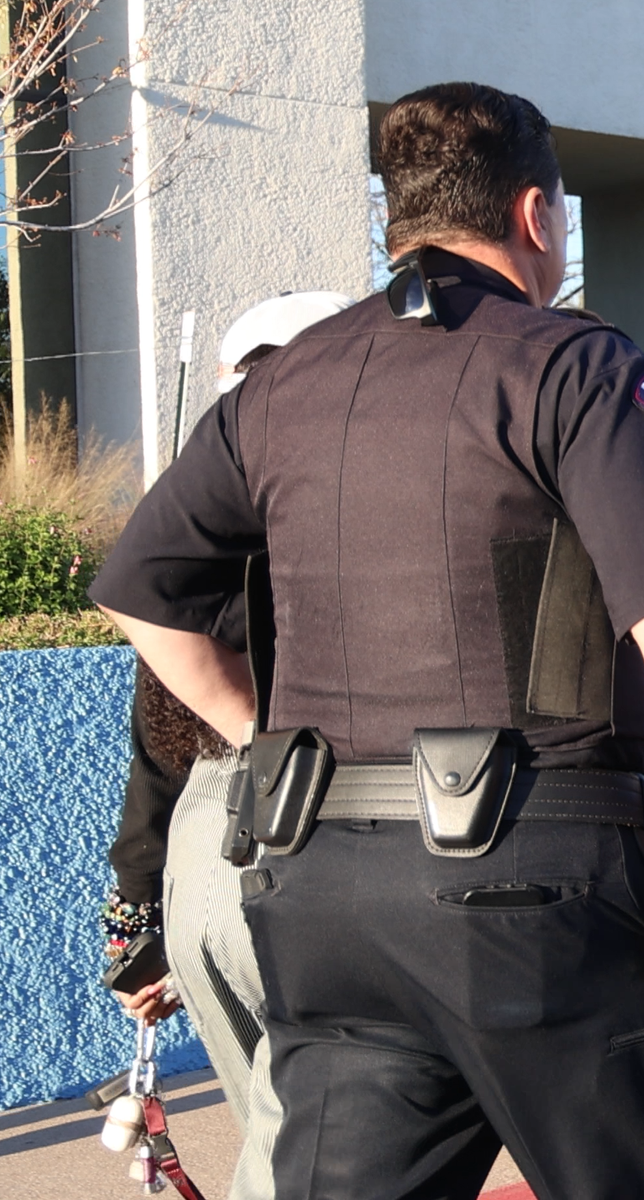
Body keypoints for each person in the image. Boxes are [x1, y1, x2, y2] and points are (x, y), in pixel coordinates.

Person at [91, 82, 644, 1199]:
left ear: (403, 216)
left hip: (320, 894)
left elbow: (143, 597)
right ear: (535, 214)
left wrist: (268, 735)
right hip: (535, 889)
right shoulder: (576, 364)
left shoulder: (286, 381)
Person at [102, 290, 349, 1200]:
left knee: (276, 1140)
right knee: (317, 1146)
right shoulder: (347, 515)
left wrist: (137, 928)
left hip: (199, 858)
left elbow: (154, 757)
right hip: (312, 837)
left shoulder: (186, 529)